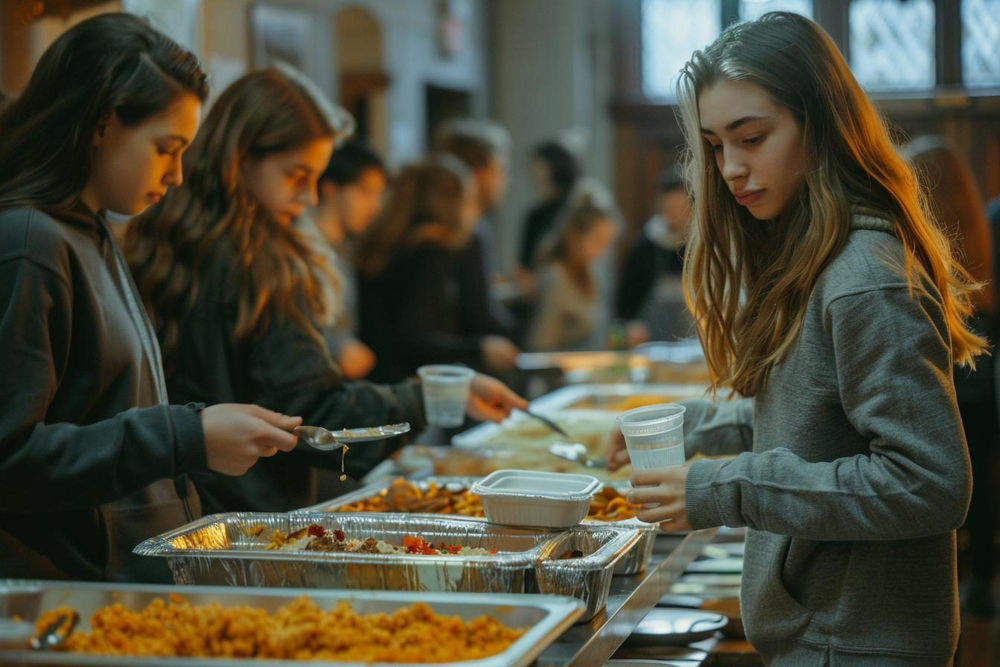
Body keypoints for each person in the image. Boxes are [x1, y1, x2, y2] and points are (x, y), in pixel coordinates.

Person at [608, 13, 981, 665]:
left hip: (859, 643)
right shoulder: (820, 255)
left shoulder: (862, 276)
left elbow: (930, 483)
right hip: (831, 634)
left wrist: (729, 486)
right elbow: (818, 425)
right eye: (716, 145)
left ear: (822, 124)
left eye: (751, 137)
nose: (730, 168)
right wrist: (696, 426)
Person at [126, 68, 525, 514]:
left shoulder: (164, 239)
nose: (310, 196)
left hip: (180, 505)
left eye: (316, 177)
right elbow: (311, 414)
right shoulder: (256, 260)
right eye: (296, 175)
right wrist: (428, 396)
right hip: (250, 507)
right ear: (239, 158)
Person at [0, 14, 300, 582]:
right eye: (166, 148)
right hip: (68, 590)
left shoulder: (89, 229)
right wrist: (187, 436)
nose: (178, 174)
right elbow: (11, 458)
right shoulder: (30, 242)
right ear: (103, 123)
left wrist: (193, 432)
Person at [905, 136, 998, 618]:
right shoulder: (982, 229)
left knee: (944, 488)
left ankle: (952, 590)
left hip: (952, 383)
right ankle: (981, 579)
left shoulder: (930, 241)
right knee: (977, 483)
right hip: (980, 385)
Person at [357, 156, 513, 381]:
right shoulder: (433, 251)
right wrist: (480, 348)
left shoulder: (380, 245)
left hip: (375, 382)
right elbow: (413, 338)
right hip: (414, 386)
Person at [435, 118, 521, 373]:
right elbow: (478, 314)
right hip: (456, 371)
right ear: (477, 171)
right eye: (501, 168)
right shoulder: (464, 228)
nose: (506, 179)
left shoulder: (441, 222)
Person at [299, 139, 388, 380]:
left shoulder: (347, 247)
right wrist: (337, 348)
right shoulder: (303, 248)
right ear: (330, 188)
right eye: (365, 192)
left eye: (379, 195)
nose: (375, 206)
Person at [526, 180, 620, 351]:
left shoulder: (590, 272)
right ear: (574, 237)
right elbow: (540, 346)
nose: (603, 252)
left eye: (607, 244)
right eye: (598, 241)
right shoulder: (556, 278)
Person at [616, 166, 694, 344]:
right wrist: (627, 329)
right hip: (647, 344)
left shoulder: (699, 247)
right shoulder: (645, 246)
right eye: (669, 207)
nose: (673, 214)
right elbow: (625, 305)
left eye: (679, 207)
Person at [518, 140, 581, 274]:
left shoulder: (575, 209)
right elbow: (525, 266)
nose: (533, 175)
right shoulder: (535, 216)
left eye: (539, 167)